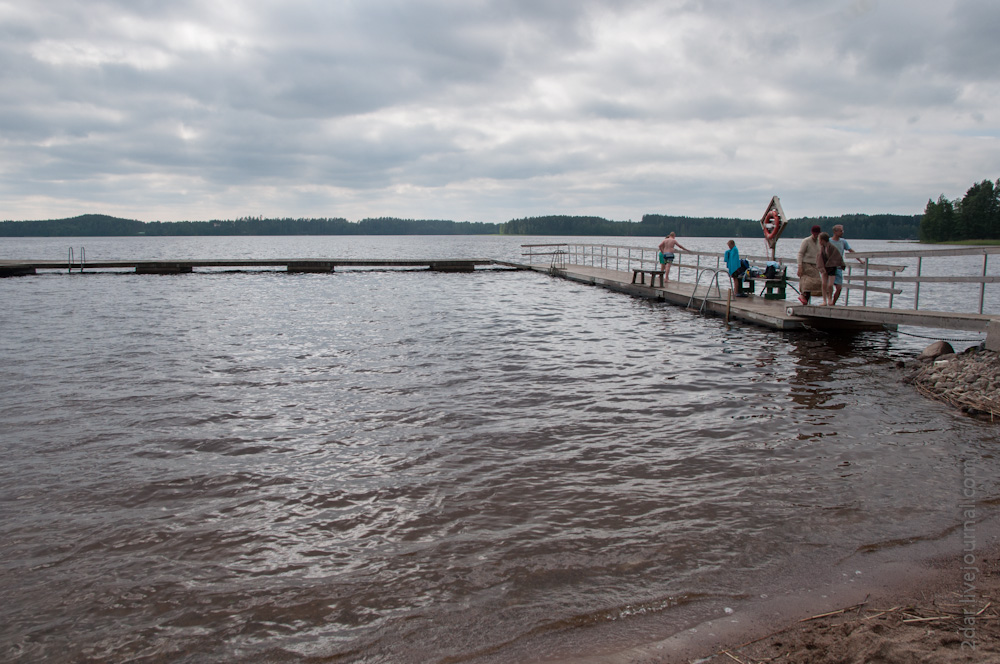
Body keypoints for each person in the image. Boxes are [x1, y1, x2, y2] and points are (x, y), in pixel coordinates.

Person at [829, 224, 860, 305]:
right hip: (829, 267)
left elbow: (850, 250)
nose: (842, 232)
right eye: (841, 231)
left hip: (838, 267)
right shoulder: (829, 241)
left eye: (843, 230)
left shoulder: (843, 241)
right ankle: (828, 301)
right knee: (829, 286)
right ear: (835, 232)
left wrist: (860, 260)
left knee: (839, 288)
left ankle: (833, 303)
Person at [816, 232, 845, 306]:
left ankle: (830, 298)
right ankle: (824, 300)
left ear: (822, 240)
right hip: (824, 267)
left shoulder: (832, 247)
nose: (819, 242)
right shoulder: (822, 248)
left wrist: (841, 264)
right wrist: (821, 266)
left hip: (832, 267)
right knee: (824, 284)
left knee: (830, 285)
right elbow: (819, 258)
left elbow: (837, 256)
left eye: (819, 240)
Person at [796, 225, 823, 305]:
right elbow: (800, 254)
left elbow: (821, 254)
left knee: (816, 282)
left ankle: (805, 300)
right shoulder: (806, 241)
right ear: (812, 233)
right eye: (814, 233)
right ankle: (803, 296)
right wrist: (799, 266)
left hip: (815, 265)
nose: (816, 235)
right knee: (807, 282)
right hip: (806, 264)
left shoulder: (819, 242)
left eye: (817, 234)